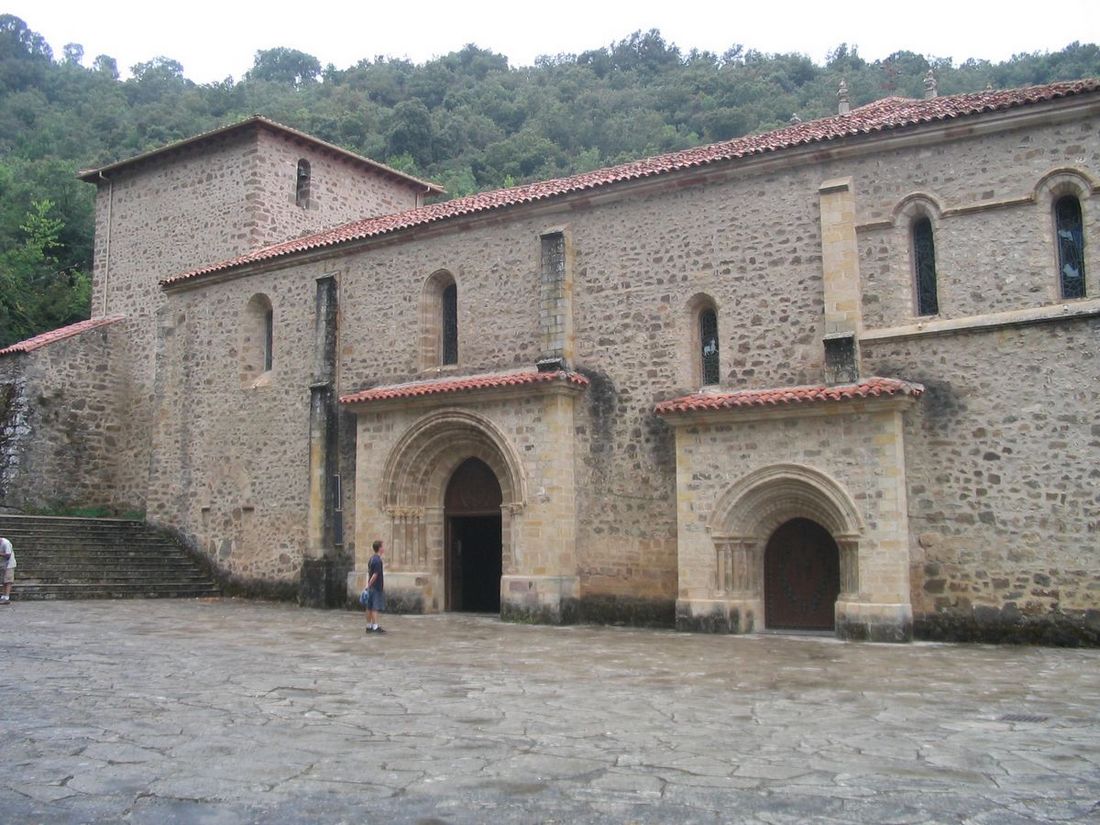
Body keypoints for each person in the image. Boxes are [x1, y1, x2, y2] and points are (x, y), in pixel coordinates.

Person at [365, 539, 385, 634]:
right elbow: (375, 575)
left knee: (369, 607)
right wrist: (369, 584)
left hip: (370, 587)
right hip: (376, 587)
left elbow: (369, 573)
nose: (384, 548)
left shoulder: (371, 559)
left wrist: (367, 585)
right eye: (382, 546)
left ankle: (369, 626)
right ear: (379, 548)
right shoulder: (378, 560)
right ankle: (375, 626)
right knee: (375, 607)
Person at [0, 535, 14, 604]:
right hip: (3, 564)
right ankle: (3, 596)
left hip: (9, 564)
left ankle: (6, 597)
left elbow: (8, 555)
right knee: (3, 581)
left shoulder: (6, 543)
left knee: (8, 581)